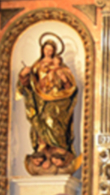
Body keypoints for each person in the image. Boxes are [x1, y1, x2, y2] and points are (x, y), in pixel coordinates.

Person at [17, 38, 78, 175]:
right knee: (41, 119)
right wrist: (23, 75)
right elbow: (29, 84)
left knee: (55, 120)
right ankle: (43, 145)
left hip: (58, 101)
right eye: (47, 49)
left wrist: (63, 78)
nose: (49, 51)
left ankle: (59, 147)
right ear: (42, 49)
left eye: (51, 50)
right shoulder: (37, 65)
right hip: (41, 99)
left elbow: (70, 87)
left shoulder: (62, 68)